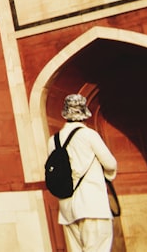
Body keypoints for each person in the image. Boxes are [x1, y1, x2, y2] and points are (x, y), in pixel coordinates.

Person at [48, 94, 118, 252]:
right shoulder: (89, 135)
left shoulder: (53, 140)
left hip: (67, 208)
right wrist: (106, 176)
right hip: (92, 205)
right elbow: (110, 163)